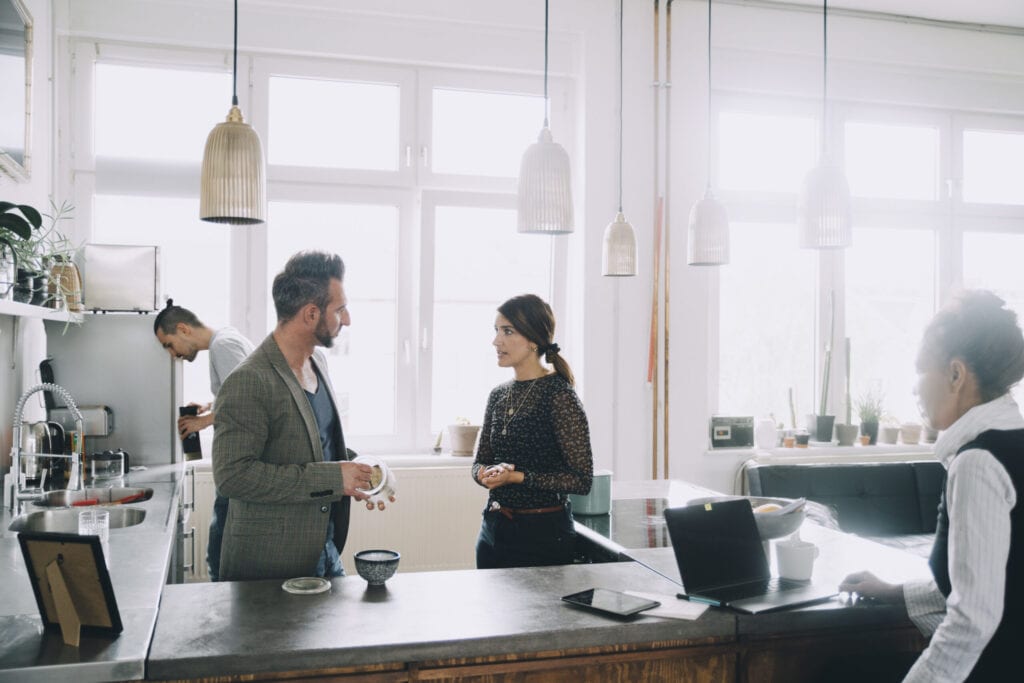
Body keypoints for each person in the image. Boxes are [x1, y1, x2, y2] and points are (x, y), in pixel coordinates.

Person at [839, 290, 1024, 682]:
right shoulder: (1013, 444)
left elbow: (972, 619)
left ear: (956, 375)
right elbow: (995, 579)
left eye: (921, 371)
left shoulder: (977, 463)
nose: (914, 390)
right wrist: (896, 591)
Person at [213, 250, 394, 581]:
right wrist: (334, 478)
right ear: (311, 314)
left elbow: (314, 444)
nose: (348, 319)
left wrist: (361, 469)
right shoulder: (249, 381)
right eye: (339, 310)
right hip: (268, 566)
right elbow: (233, 476)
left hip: (324, 551)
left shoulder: (317, 363)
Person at [472, 294, 593, 569]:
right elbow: (480, 461)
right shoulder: (498, 395)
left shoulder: (559, 395)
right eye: (496, 331)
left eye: (507, 331)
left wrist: (516, 477)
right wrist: (483, 474)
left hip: (543, 535)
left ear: (532, 340)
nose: (496, 341)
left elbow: (580, 480)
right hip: (493, 530)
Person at [153, 300, 255, 582]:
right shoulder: (228, 338)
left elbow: (247, 399)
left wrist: (204, 421)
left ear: (183, 329)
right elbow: (238, 390)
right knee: (221, 554)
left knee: (219, 557)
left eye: (169, 345)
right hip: (240, 465)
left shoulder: (223, 345)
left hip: (239, 465)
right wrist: (211, 406)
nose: (173, 355)